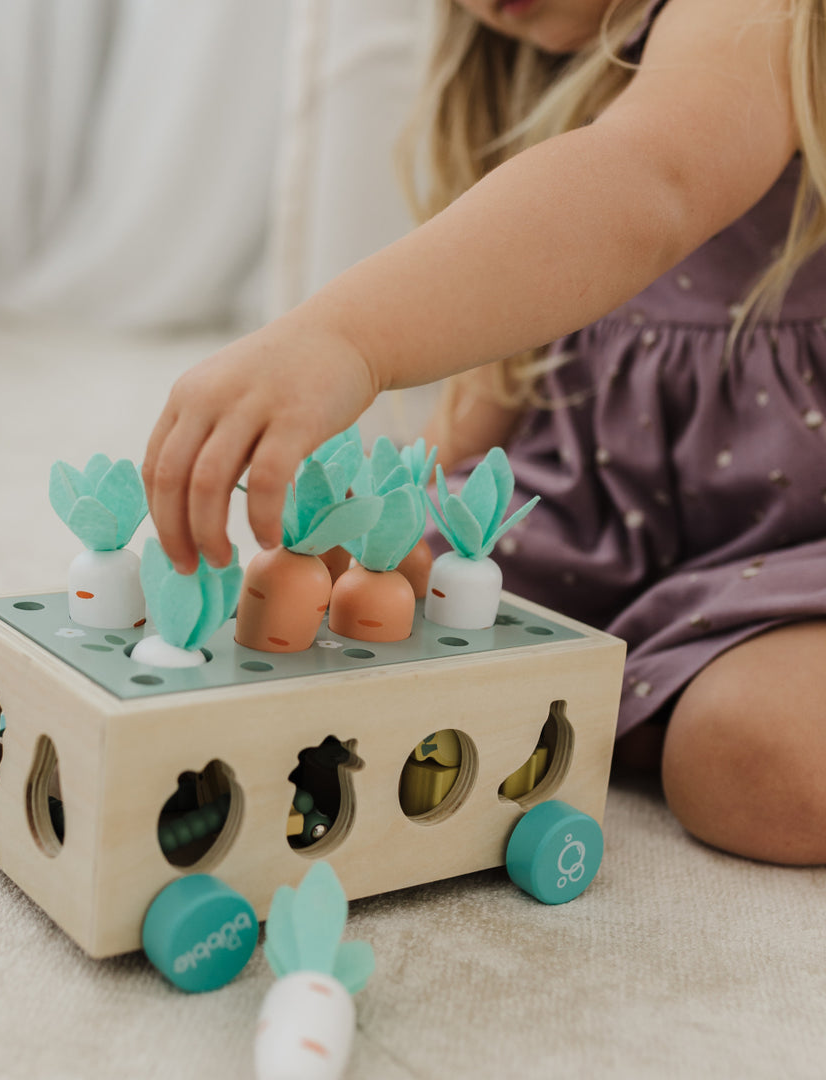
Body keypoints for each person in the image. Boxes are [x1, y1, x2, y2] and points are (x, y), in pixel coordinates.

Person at [142, 0, 826, 865]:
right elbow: (501, 371)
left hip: (805, 538)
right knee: (372, 604)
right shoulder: (544, 71)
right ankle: (643, 686)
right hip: (603, 513)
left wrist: (345, 336)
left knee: (749, 755)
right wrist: (400, 518)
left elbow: (652, 177)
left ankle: (665, 697)